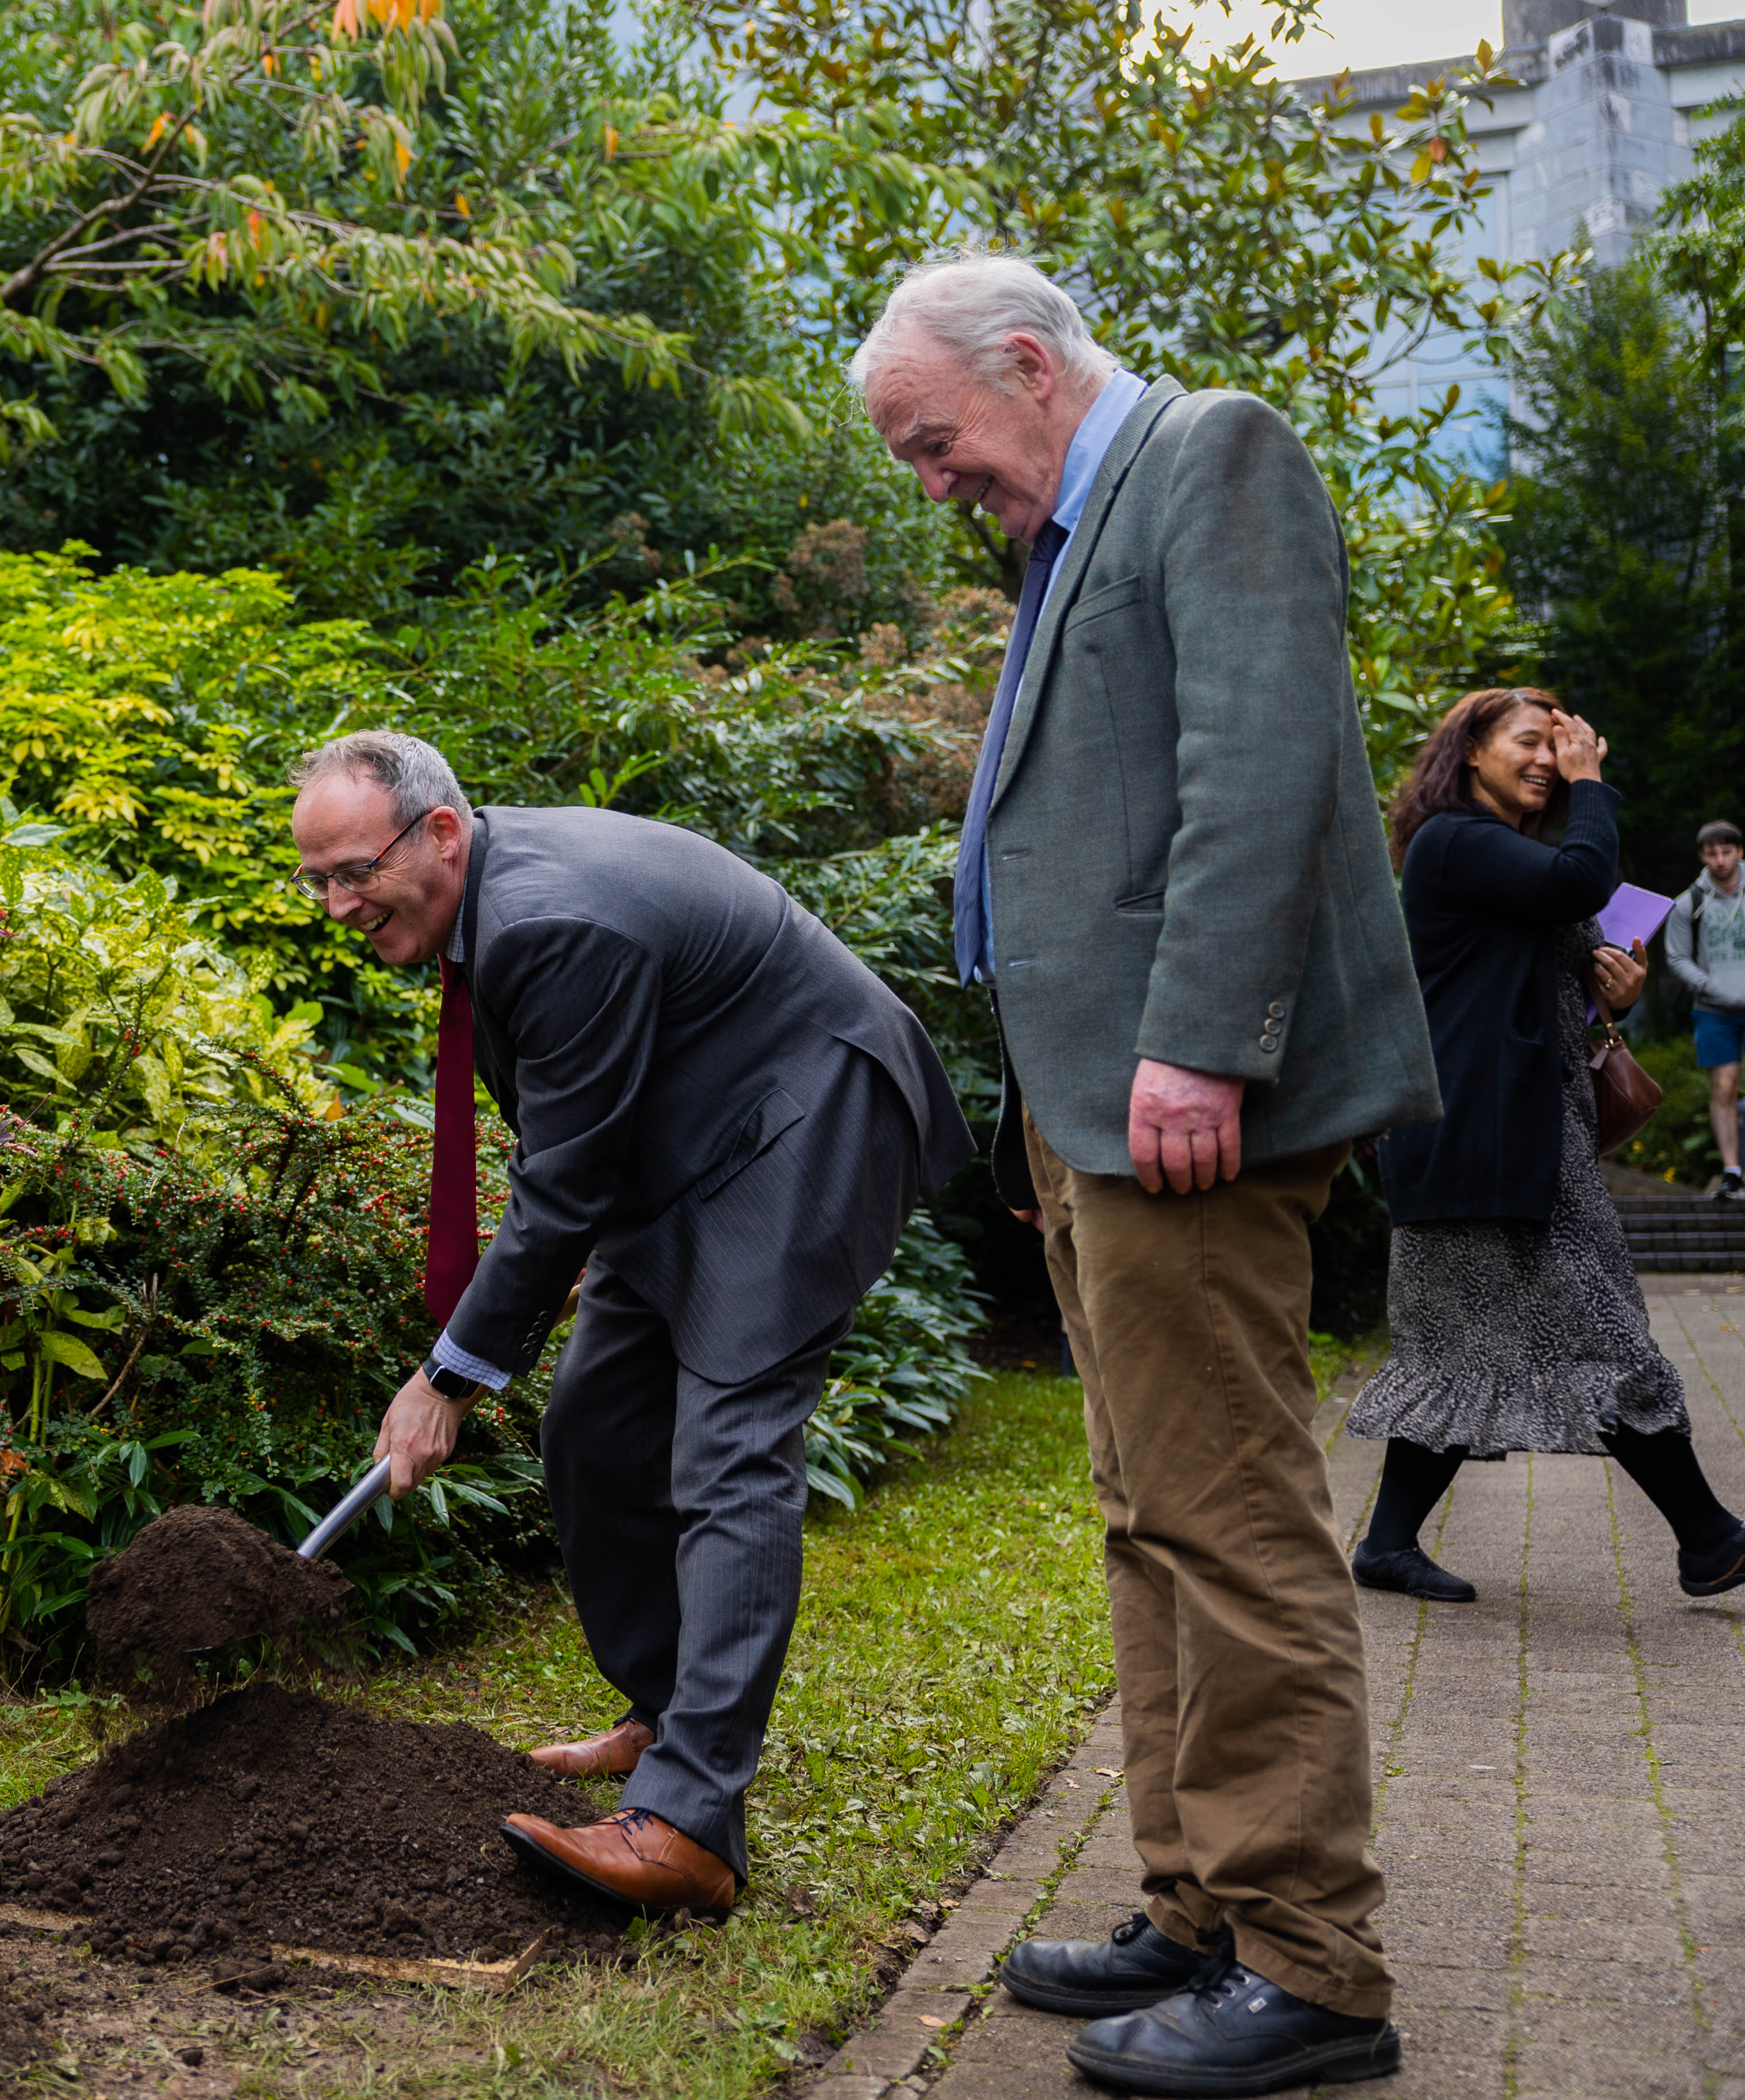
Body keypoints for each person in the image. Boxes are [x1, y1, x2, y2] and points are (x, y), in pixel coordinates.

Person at [853, 250, 1440, 2098]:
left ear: (1028, 366)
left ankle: (1317, 1968)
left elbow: (1260, 767)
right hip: (1100, 1098)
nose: (934, 482)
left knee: (1234, 1516)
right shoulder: (1076, 519)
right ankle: (1197, 1903)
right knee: (1146, 1509)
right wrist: (1072, 1090)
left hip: (1192, 1084)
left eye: (937, 440)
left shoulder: (1213, 455)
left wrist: (1199, 1038)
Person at [286, 729, 973, 1918]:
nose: (341, 902)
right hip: (692, 1143)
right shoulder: (493, 892)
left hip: (803, 1123)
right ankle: (666, 1721)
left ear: (439, 833)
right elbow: (575, 1145)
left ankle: (694, 1822)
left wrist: (446, 1379)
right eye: (318, 879)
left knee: (729, 1452)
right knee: (595, 1427)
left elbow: (563, 1184)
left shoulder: (552, 921)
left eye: (357, 872)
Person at [1347, 693, 1745, 1602]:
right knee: (1602, 1336)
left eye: (1560, 747)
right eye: (1530, 742)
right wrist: (1593, 782)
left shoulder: (1514, 860)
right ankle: (1711, 1538)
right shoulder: (1454, 842)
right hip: (1476, 1145)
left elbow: (1541, 983)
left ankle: (1386, 1546)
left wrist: (1622, 993)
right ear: (1471, 753)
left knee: (1457, 1352)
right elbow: (1579, 884)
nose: (1548, 761)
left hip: (1519, 1139)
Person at [1661, 818, 1745, 1200]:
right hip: (1714, 1009)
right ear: (1702, 856)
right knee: (1724, 1086)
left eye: (1727, 851)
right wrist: (1716, 988)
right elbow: (1677, 957)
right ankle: (1732, 1173)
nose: (1721, 860)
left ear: (1740, 852)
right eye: (1712, 853)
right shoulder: (1688, 902)